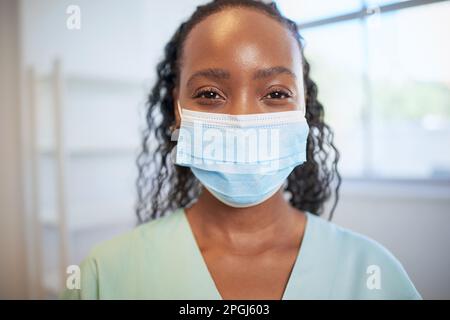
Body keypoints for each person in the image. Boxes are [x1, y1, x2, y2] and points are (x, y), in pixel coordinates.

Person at [61, 0, 421, 300]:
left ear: (303, 108)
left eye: (276, 93)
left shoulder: (372, 272)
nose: (242, 118)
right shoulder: (105, 276)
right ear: (178, 111)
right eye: (209, 94)